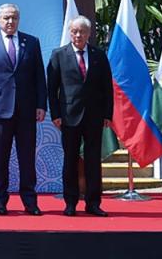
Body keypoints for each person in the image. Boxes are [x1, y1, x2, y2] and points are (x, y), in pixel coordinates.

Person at [0, 3, 46, 216]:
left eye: (14, 18)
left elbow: (39, 78)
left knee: (26, 158)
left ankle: (30, 201)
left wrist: (41, 105)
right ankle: (0, 200)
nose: (10, 22)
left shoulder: (31, 43)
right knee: (0, 158)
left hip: (26, 111)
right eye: (6, 18)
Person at [47, 15, 113, 217]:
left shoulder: (98, 55)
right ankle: (70, 203)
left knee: (93, 160)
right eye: (74, 31)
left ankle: (93, 203)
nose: (78, 35)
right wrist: (56, 114)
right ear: (70, 32)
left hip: (94, 117)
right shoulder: (59, 54)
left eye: (82, 32)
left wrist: (107, 114)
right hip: (68, 116)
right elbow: (52, 88)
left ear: (88, 34)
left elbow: (107, 87)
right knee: (70, 160)